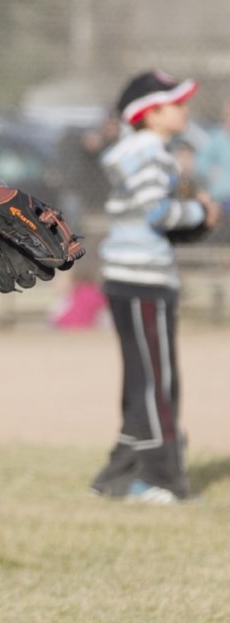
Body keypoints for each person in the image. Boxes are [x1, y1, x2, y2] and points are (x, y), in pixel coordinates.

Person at [90, 70, 221, 504]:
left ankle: (120, 471)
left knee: (141, 378)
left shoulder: (138, 150)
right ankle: (161, 479)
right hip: (144, 278)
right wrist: (199, 213)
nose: (185, 110)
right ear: (150, 114)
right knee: (158, 380)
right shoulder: (149, 153)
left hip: (127, 277)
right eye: (176, 104)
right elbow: (158, 213)